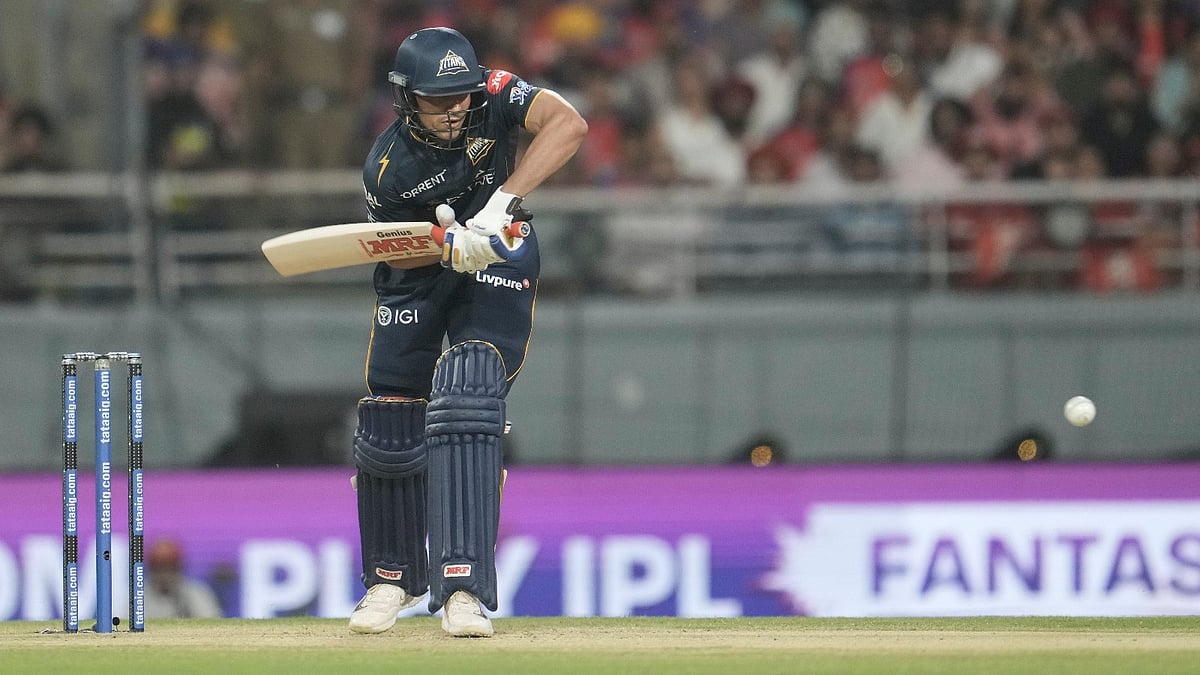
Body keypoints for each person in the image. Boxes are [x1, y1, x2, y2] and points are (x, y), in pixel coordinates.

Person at [347, 27, 586, 638]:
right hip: (420, 269)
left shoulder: (496, 94)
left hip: (500, 248)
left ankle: (463, 588)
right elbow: (393, 256)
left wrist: (499, 205)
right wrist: (437, 247)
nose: (455, 107)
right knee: (391, 411)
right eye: (438, 98)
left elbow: (569, 126)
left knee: (470, 395)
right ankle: (391, 577)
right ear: (405, 97)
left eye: (461, 94)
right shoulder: (385, 166)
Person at [143, 539, 223, 619]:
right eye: (159, 569)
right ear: (151, 569)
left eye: (170, 568)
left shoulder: (197, 593)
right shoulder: (138, 597)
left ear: (179, 568)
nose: (165, 576)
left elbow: (211, 624)